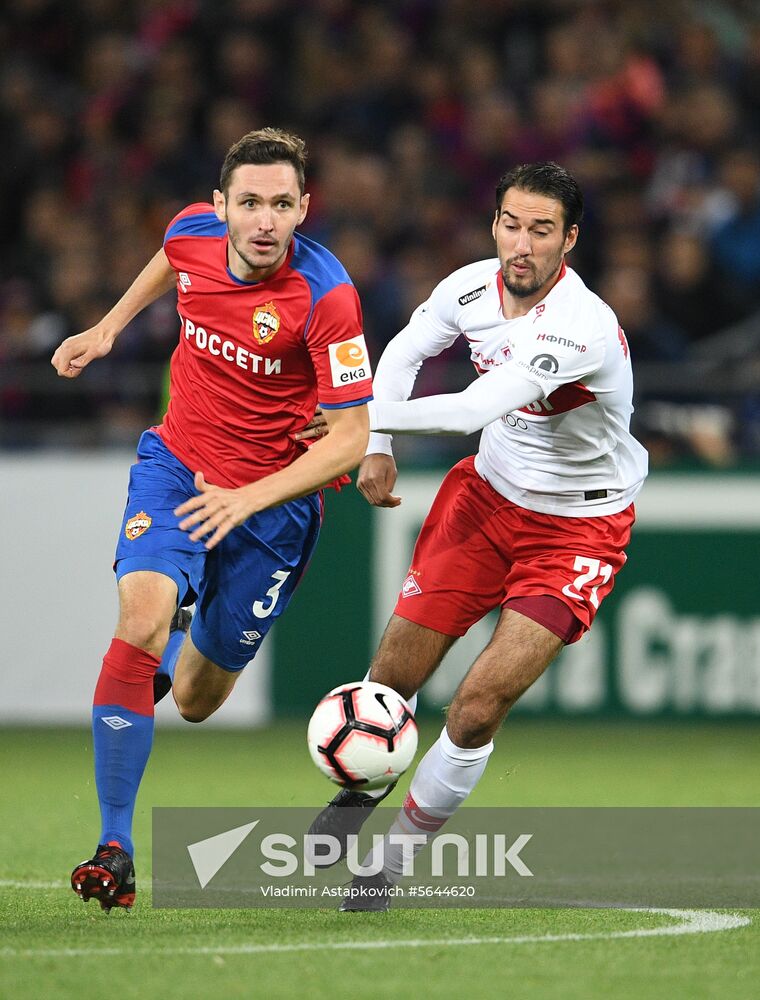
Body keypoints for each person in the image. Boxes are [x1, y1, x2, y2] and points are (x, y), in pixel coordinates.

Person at [307, 161, 648, 910]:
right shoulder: (470, 287)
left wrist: (353, 420)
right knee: (390, 679)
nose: (522, 244)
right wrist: (377, 445)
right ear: (494, 223)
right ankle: (363, 786)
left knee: (475, 707)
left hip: (578, 529)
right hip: (486, 500)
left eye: (542, 230)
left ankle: (391, 862)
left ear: (570, 241)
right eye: (511, 224)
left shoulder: (577, 325)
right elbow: (401, 353)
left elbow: (469, 408)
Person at [51, 128, 372, 911]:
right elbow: (170, 259)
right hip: (178, 469)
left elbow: (353, 441)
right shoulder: (192, 232)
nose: (265, 221)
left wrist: (249, 498)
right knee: (141, 617)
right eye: (251, 203)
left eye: (282, 205)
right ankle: (114, 846)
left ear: (305, 209)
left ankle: (170, 647)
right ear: (222, 206)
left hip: (272, 510)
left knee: (195, 698)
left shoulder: (327, 296)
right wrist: (111, 324)